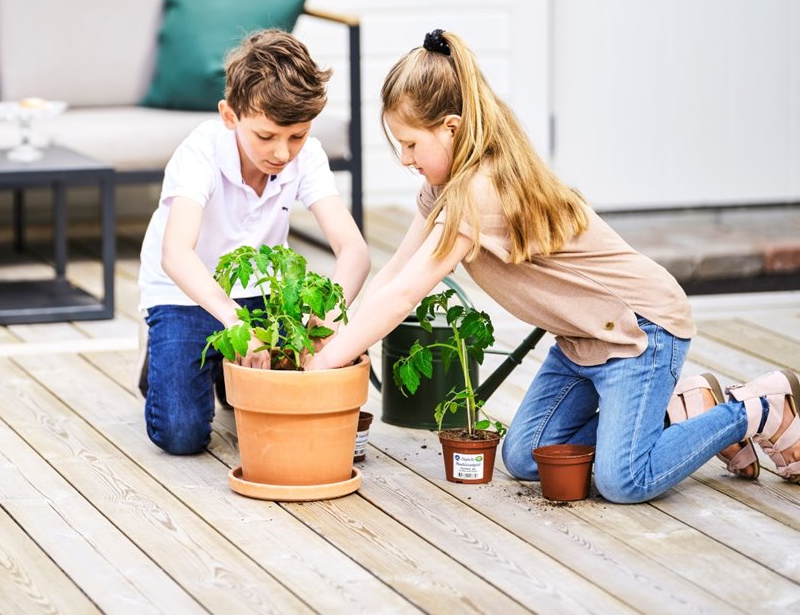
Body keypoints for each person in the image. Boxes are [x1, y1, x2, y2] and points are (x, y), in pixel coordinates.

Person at [307, 28, 799, 500]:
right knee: (525, 458)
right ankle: (682, 411)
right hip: (582, 339)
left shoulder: (482, 191)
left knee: (624, 480)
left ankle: (756, 408)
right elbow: (394, 271)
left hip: (639, 330)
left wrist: (327, 363)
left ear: (450, 128)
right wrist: (339, 331)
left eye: (411, 144)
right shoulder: (444, 188)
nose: (405, 159)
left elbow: (404, 295)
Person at [138, 29, 370, 455]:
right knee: (181, 434)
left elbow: (354, 251)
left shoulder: (308, 156)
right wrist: (239, 326)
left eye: (296, 136)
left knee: (269, 399)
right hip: (184, 295)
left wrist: (330, 317)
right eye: (266, 136)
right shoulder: (199, 153)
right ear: (230, 116)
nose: (282, 152)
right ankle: (163, 353)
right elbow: (175, 253)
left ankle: (221, 371)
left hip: (259, 294)